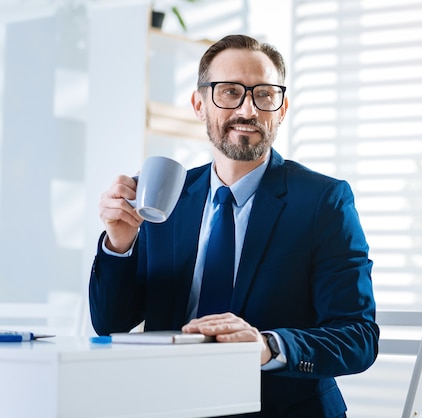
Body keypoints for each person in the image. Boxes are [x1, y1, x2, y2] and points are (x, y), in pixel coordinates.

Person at [89, 34, 378, 418]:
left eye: (264, 95)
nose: (248, 110)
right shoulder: (165, 197)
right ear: (199, 103)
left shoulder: (323, 201)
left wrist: (266, 346)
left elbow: (357, 337)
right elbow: (111, 324)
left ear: (282, 108)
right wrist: (120, 243)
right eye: (229, 92)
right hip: (172, 404)